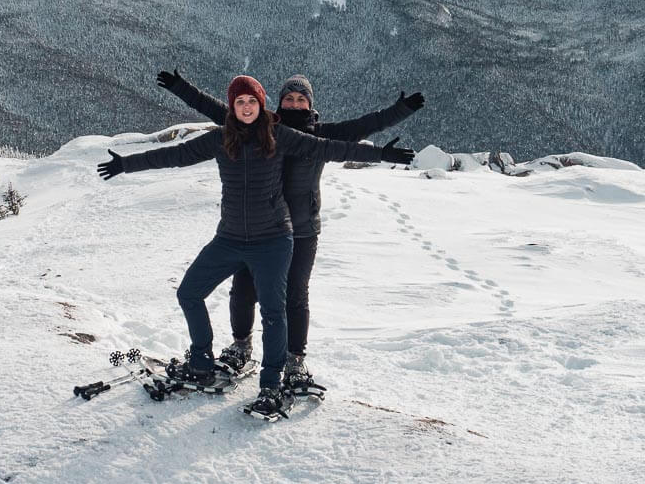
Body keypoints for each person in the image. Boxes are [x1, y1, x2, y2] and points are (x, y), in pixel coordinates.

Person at [97, 75, 415, 416]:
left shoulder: (286, 135)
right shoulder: (229, 134)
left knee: (283, 304)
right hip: (234, 235)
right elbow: (180, 150)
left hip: (284, 233)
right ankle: (220, 353)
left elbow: (338, 146)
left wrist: (384, 147)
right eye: (287, 99)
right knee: (219, 292)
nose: (293, 104)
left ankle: (280, 372)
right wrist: (128, 161)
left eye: (300, 99)